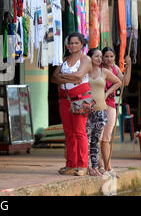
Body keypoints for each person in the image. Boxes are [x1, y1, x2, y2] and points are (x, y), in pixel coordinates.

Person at [51, 32, 92, 176]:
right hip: (64, 99)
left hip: (80, 98)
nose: (73, 45)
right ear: (67, 45)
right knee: (69, 133)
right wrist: (70, 78)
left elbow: (79, 76)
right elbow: (54, 78)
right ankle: (71, 164)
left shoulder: (85, 59)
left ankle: (82, 165)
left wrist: (63, 77)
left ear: (82, 44)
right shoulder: (64, 59)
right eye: (71, 43)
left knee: (80, 132)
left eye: (76, 43)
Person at [86, 48, 121, 176]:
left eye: (100, 56)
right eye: (97, 56)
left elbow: (119, 82)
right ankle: (88, 166)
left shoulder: (105, 71)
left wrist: (106, 93)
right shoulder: (85, 71)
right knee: (87, 139)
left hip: (102, 109)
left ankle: (97, 167)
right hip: (87, 110)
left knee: (96, 140)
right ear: (89, 57)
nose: (99, 59)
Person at [99, 47, 132, 175]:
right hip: (99, 104)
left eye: (111, 56)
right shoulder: (98, 69)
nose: (109, 59)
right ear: (102, 57)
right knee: (99, 137)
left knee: (107, 137)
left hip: (111, 105)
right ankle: (100, 164)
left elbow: (125, 82)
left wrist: (128, 66)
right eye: (106, 56)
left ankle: (108, 166)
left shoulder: (115, 68)